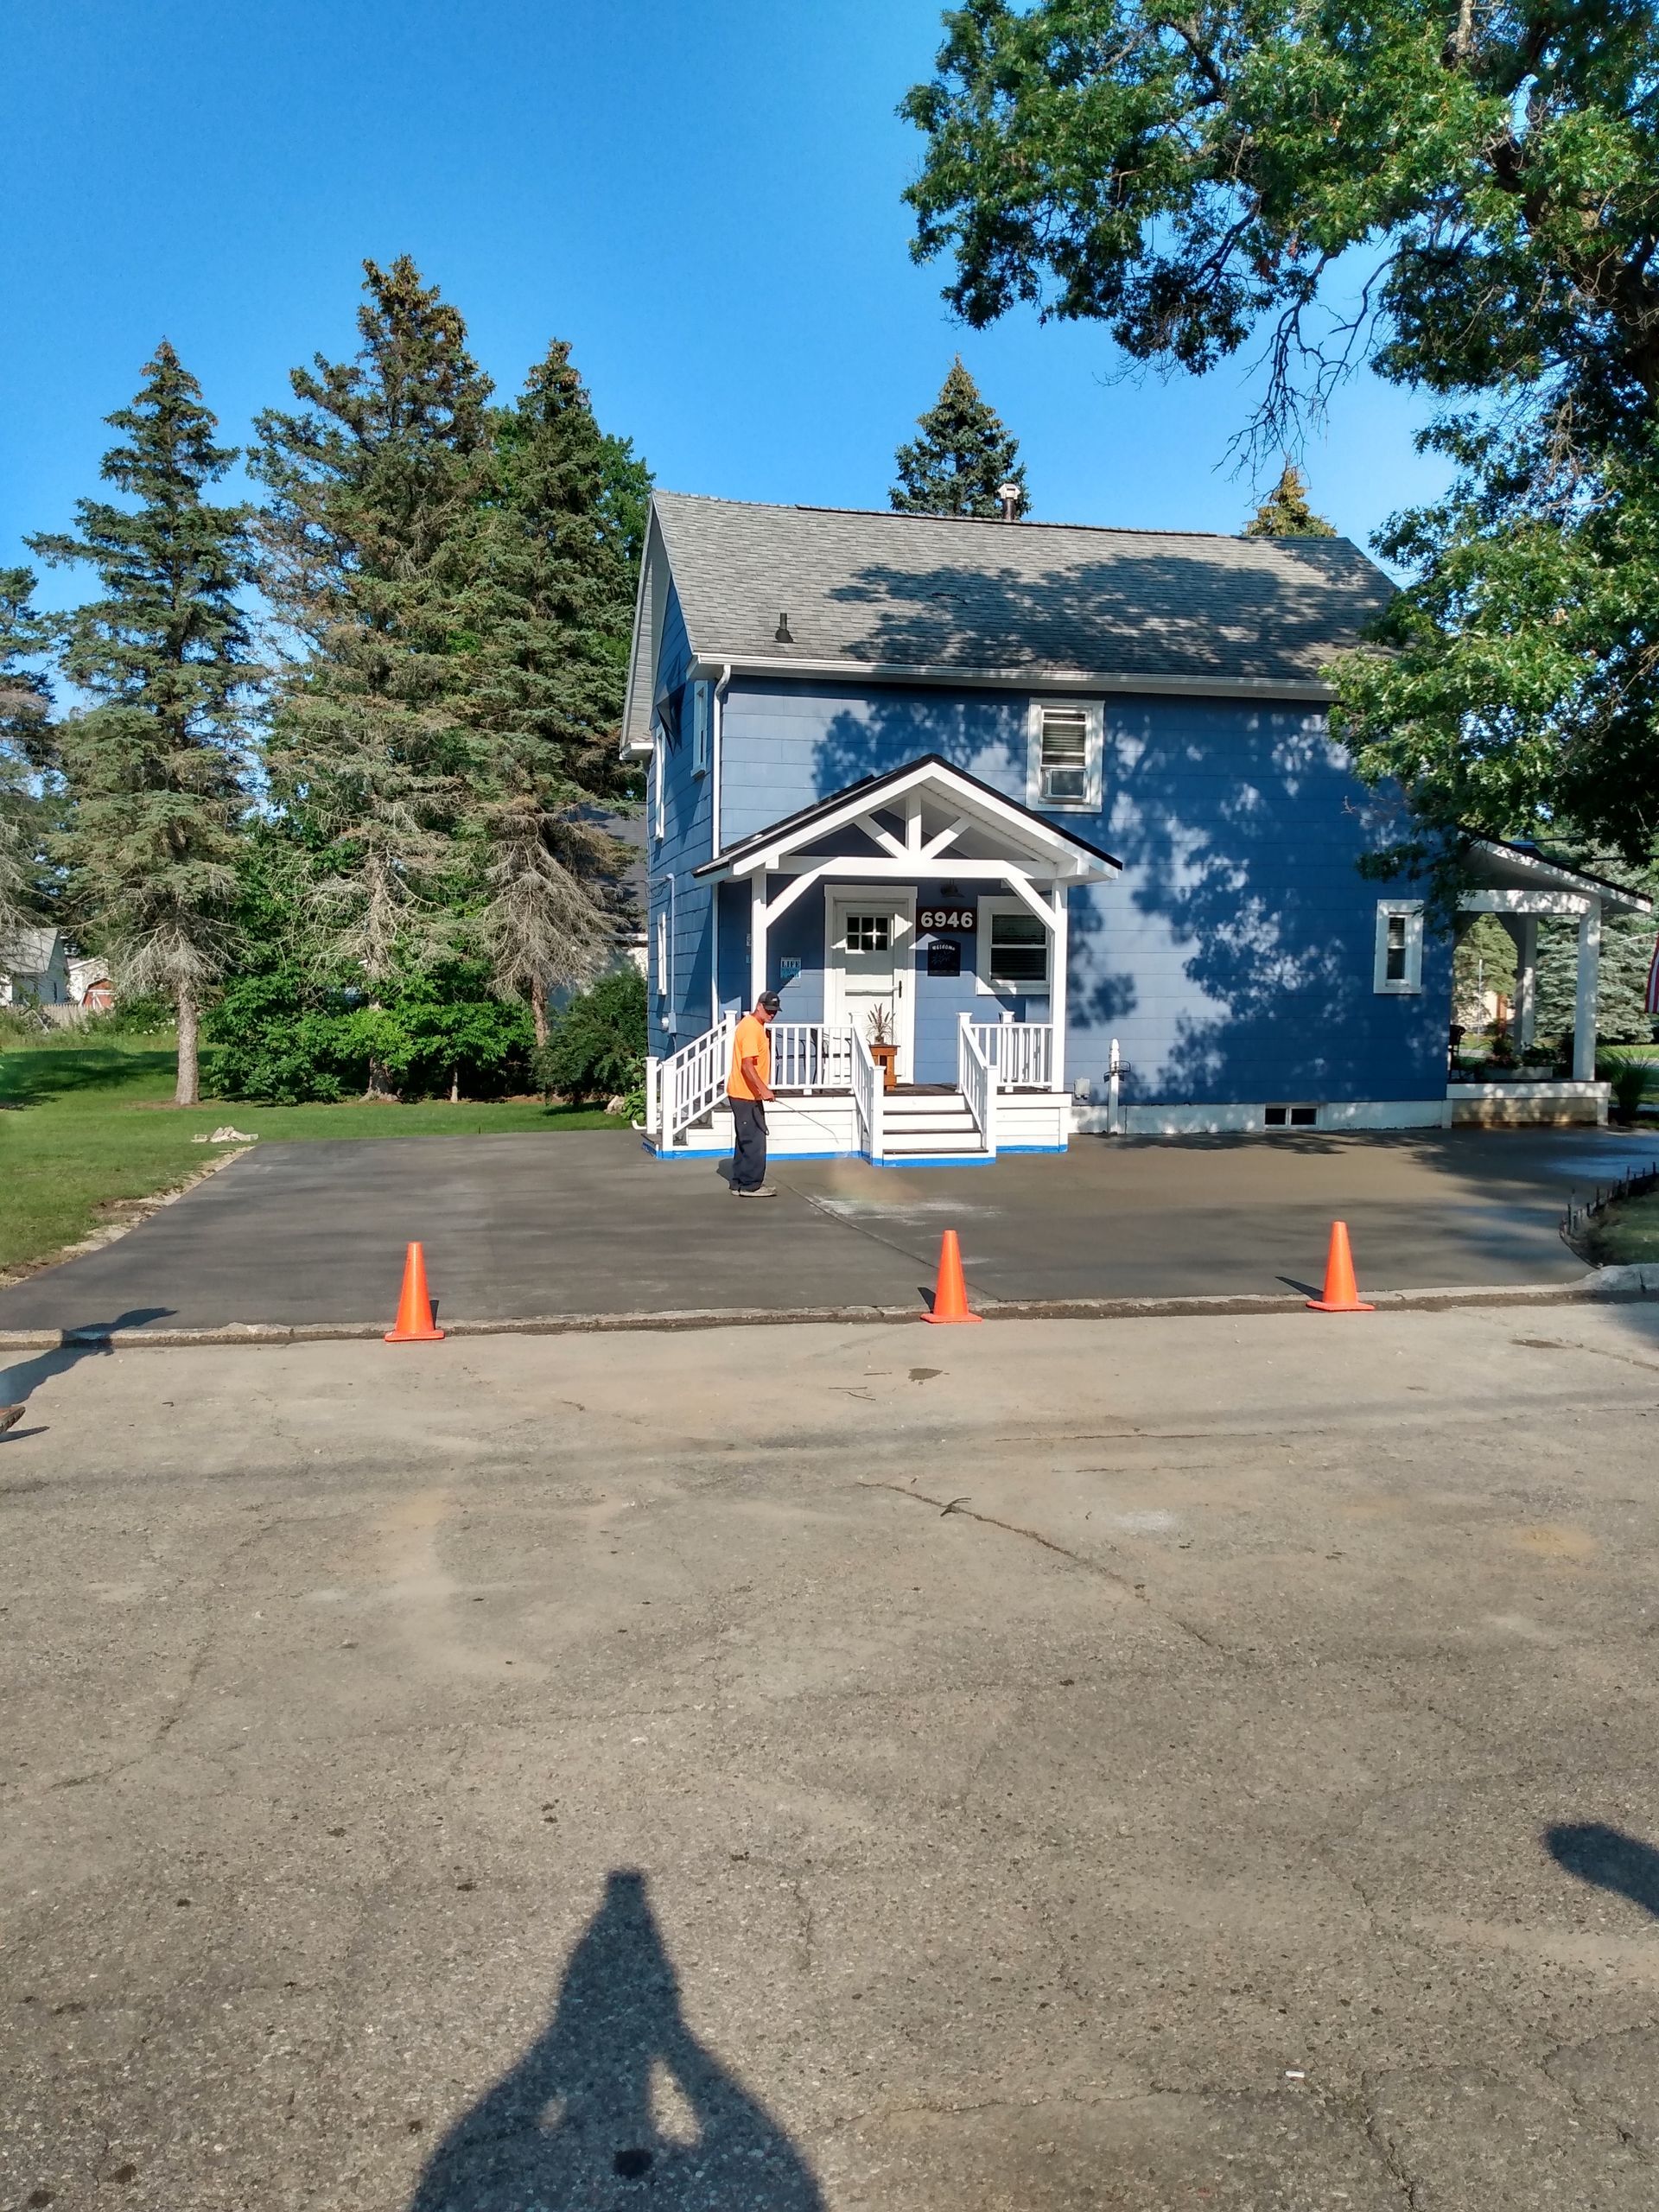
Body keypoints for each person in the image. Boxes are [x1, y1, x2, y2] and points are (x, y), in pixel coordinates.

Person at [727, 990, 781, 1198]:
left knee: (745, 1139)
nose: (771, 1014)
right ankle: (751, 1186)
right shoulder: (751, 1028)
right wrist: (763, 1089)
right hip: (746, 1094)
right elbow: (747, 1065)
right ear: (759, 1006)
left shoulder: (755, 1026)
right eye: (768, 1010)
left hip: (745, 1094)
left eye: (774, 1011)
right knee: (754, 1141)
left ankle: (739, 1183)